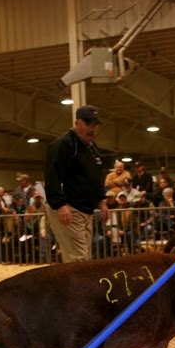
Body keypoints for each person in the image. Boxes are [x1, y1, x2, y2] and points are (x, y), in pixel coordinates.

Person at [45, 105, 109, 262]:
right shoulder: (64, 144)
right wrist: (60, 205)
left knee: (83, 257)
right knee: (78, 259)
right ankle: (75, 286)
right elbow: (52, 175)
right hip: (69, 208)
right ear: (77, 123)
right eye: (88, 124)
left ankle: (67, 284)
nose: (92, 128)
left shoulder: (92, 147)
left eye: (95, 125)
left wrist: (102, 202)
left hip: (85, 210)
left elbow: (96, 177)